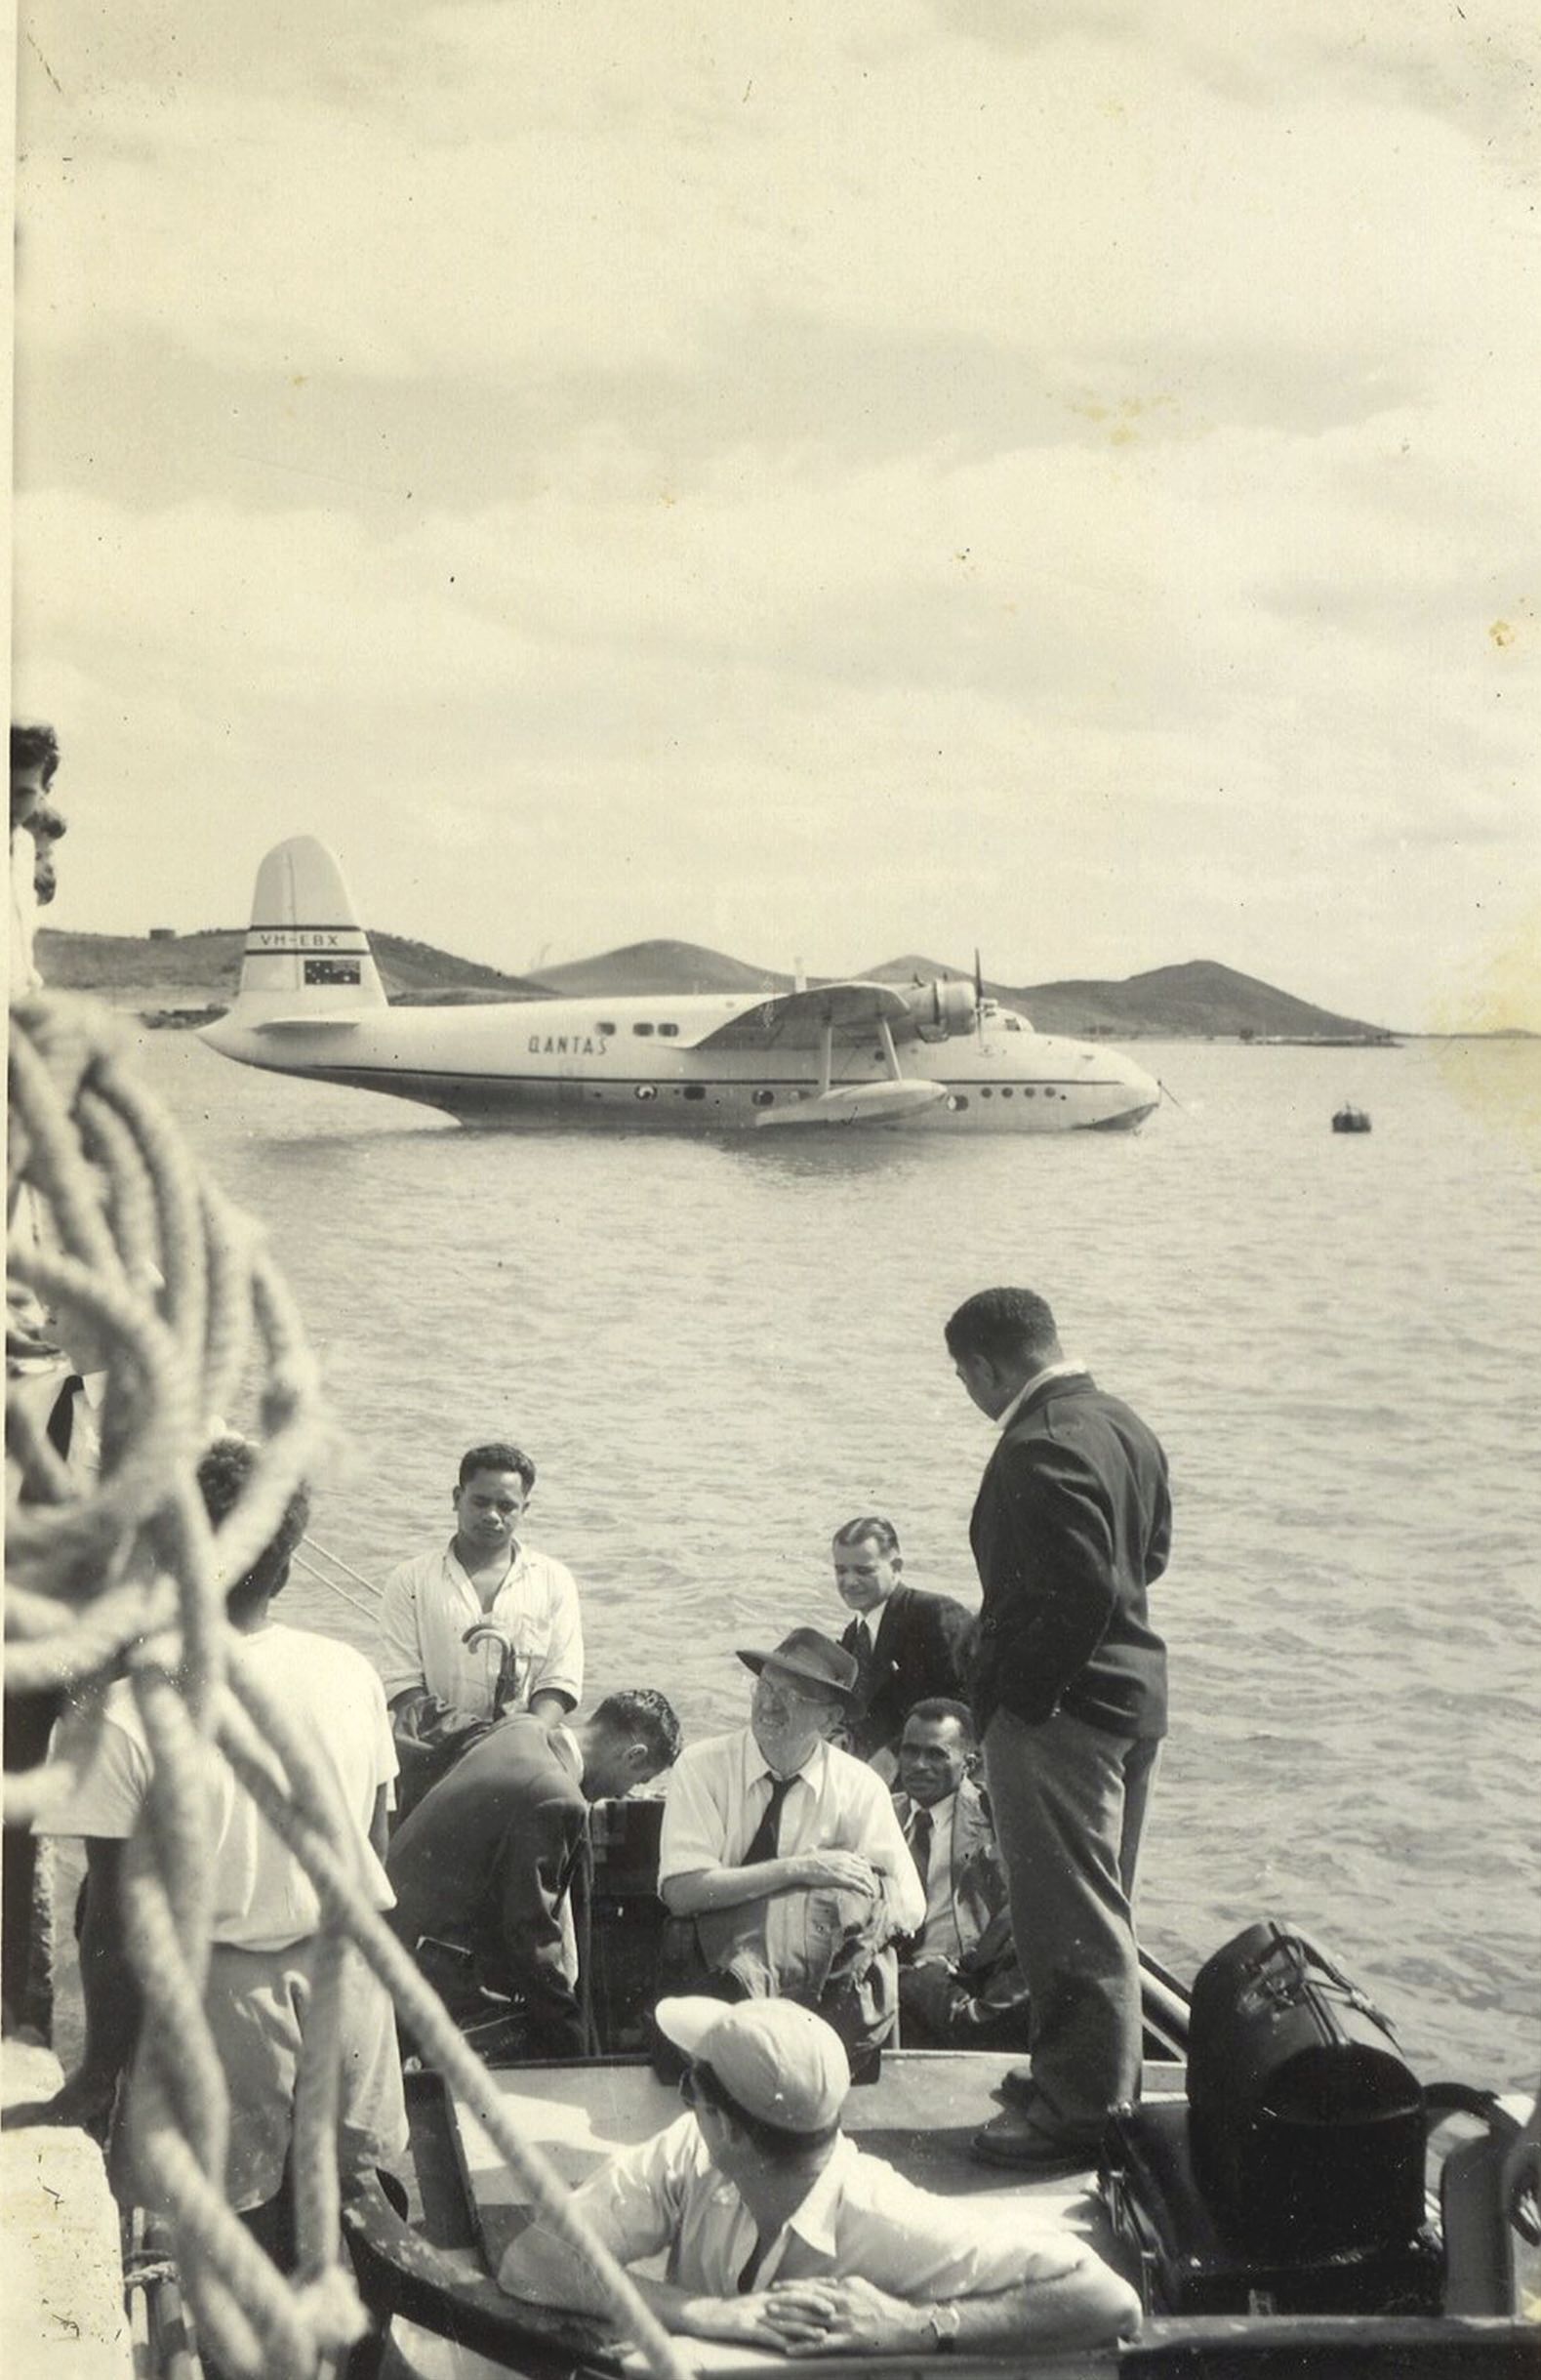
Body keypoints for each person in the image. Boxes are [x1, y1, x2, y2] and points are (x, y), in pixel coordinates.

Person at [32, 1437, 408, 2259]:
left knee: (235, 2253)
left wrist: (99, 2073)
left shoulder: (122, 1712)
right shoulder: (352, 1672)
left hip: (222, 2002)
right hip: (354, 1992)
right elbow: (378, 1847)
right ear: (286, 1564)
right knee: (362, 2227)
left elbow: (114, 1925)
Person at [499, 1993, 1140, 2355]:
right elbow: (533, 2264)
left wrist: (915, 2326)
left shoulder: (888, 2217)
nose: (683, 2108)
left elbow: (1109, 2300)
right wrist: (710, 2314)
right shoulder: (684, 2153)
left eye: (691, 2090)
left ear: (725, 2126)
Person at [945, 1287, 1171, 2169]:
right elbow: (1145, 1559)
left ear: (985, 1366)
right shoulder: (1122, 1424)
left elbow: (1080, 1592)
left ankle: (1079, 2110)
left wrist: (1021, 1695)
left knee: (1065, 1912)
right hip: (1132, 1696)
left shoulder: (1034, 1447)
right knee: (1101, 1900)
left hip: (1064, 1718)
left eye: (966, 1378)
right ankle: (1082, 2077)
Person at [657, 1629, 923, 2056]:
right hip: (718, 1970)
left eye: (793, 1696)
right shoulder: (701, 1767)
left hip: (821, 1982)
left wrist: (823, 1914)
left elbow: (908, 1904)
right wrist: (803, 1871)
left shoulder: (860, 1787)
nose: (768, 1704)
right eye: (764, 1686)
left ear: (831, 1719)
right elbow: (682, 1893)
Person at [385, 1689, 682, 2057]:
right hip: (420, 1970)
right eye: (638, 1781)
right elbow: (529, 1936)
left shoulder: (521, 1729)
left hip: (394, 1932)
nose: (624, 1795)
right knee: (542, 2030)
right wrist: (572, 2036)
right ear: (633, 1755)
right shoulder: (556, 1795)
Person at [377, 1441, 585, 1816]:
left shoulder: (555, 1580)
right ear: (457, 1498)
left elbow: (560, 1681)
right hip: (433, 1766)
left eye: (506, 1506)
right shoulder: (410, 1580)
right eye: (480, 1502)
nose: (492, 1515)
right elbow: (403, 1687)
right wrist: (469, 1748)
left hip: (523, 1766)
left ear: (525, 1509)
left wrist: (517, 1749)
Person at [890, 1700, 1031, 2050]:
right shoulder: (879, 1811)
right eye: (909, 1751)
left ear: (968, 1764)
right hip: (883, 1976)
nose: (918, 1765)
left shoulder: (999, 1819)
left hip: (956, 1985)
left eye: (936, 1754)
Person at [831, 1516, 976, 1770]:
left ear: (896, 1566)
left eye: (863, 1570)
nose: (849, 1581)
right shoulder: (854, 1635)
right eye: (841, 1570)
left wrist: (895, 1754)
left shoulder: (933, 1614)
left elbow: (969, 1703)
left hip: (930, 1773)